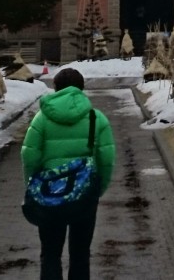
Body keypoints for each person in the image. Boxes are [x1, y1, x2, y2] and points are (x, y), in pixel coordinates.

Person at [21, 68, 116, 280]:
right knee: (81, 252)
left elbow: (29, 155)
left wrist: (32, 184)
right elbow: (107, 158)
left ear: (56, 88)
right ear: (82, 88)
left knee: (50, 253)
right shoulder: (96, 118)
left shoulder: (41, 119)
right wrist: (98, 188)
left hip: (49, 194)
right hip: (84, 193)